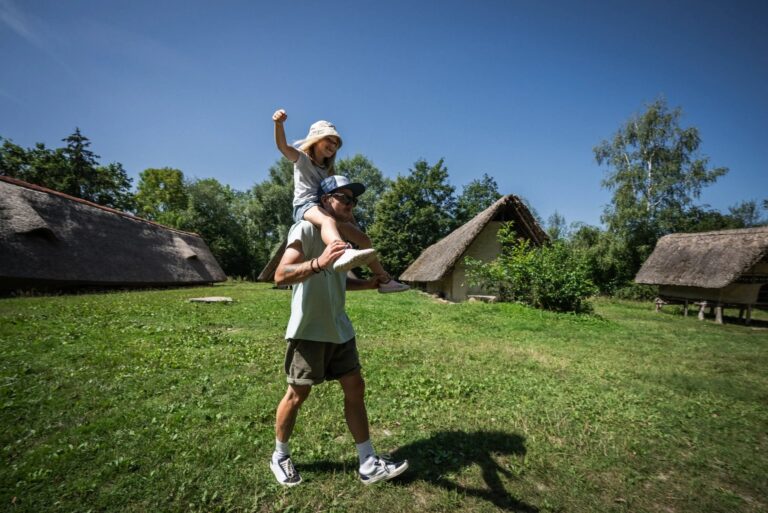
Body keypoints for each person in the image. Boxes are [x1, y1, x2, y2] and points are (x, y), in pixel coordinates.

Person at [270, 175, 409, 486]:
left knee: (355, 388)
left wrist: (369, 283)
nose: (350, 204)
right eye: (343, 198)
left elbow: (339, 280)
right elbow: (281, 275)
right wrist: (318, 262)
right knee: (297, 394)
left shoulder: (344, 241)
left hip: (340, 328)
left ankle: (368, 462)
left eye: (353, 200)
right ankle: (280, 456)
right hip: (309, 330)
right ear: (324, 202)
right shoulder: (305, 229)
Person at [272, 108, 409, 293]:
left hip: (322, 207)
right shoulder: (302, 159)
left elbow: (337, 205)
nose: (333, 145)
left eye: (336, 143)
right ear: (315, 139)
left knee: (363, 237)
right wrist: (278, 124)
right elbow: (283, 147)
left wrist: (354, 228)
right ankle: (341, 251)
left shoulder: (327, 169)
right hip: (305, 206)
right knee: (328, 221)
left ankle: (384, 279)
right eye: (329, 139)